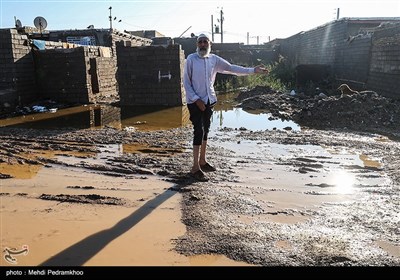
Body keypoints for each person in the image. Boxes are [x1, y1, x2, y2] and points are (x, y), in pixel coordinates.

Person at [183, 33, 269, 181]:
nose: (202, 44)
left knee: (206, 130)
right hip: (195, 102)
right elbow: (186, 82)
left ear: (210, 44)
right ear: (197, 45)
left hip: (209, 100)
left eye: (205, 42)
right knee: (198, 130)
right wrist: (197, 100)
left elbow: (231, 68)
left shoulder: (214, 60)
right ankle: (195, 167)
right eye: (200, 42)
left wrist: (252, 70)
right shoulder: (191, 59)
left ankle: (202, 161)